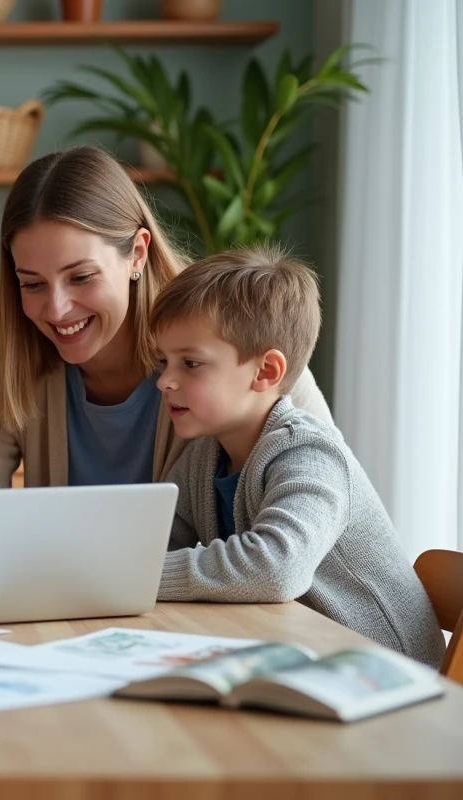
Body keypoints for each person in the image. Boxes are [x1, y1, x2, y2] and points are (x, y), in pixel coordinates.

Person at [0, 145, 332, 585]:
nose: (57, 309)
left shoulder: (237, 354)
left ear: (137, 254)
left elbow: (309, 530)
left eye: (81, 277)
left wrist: (80, 574)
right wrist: (15, 575)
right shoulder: (12, 364)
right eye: (32, 284)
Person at [150, 247, 444, 667]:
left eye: (190, 363)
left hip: (385, 675)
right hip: (302, 659)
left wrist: (137, 575)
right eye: (164, 362)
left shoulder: (310, 453)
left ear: (265, 371)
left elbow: (275, 566)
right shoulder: (202, 458)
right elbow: (153, 545)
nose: (164, 381)